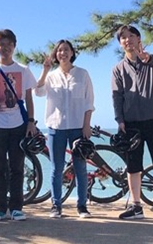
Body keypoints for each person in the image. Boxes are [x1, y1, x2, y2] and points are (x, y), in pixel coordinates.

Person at [112, 24, 153, 222]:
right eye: (123, 37)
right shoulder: (118, 69)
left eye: (131, 36)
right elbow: (117, 96)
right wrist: (119, 120)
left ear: (139, 39)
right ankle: (136, 207)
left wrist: (149, 58)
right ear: (120, 43)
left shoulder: (151, 62)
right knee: (133, 167)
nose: (128, 40)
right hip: (131, 124)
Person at [0, 29, 37, 222]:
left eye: (9, 44)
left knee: (17, 167)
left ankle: (17, 207)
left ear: (14, 47)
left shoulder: (23, 70)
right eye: (2, 44)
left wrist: (31, 122)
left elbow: (29, 98)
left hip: (18, 124)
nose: (6, 48)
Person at [36, 40, 95, 219]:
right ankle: (56, 205)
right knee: (57, 168)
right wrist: (45, 70)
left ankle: (82, 206)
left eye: (66, 50)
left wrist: (86, 125)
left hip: (78, 128)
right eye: (60, 50)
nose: (63, 53)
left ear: (72, 53)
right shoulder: (51, 76)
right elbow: (38, 92)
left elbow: (89, 102)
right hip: (56, 127)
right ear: (56, 54)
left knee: (80, 168)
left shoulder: (82, 74)